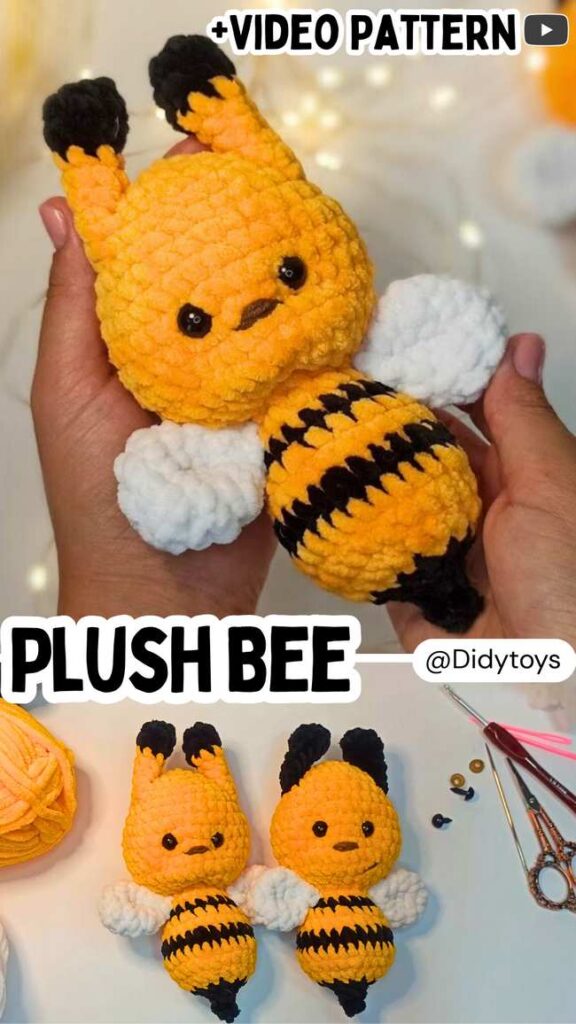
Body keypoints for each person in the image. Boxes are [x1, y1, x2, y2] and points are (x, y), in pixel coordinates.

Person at [33, 137, 576, 647]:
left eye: (290, 271)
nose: (254, 310)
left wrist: (134, 597)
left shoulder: (371, 350)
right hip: (369, 529)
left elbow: (456, 331)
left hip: (445, 520)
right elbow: (171, 496)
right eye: (195, 321)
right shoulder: (218, 444)